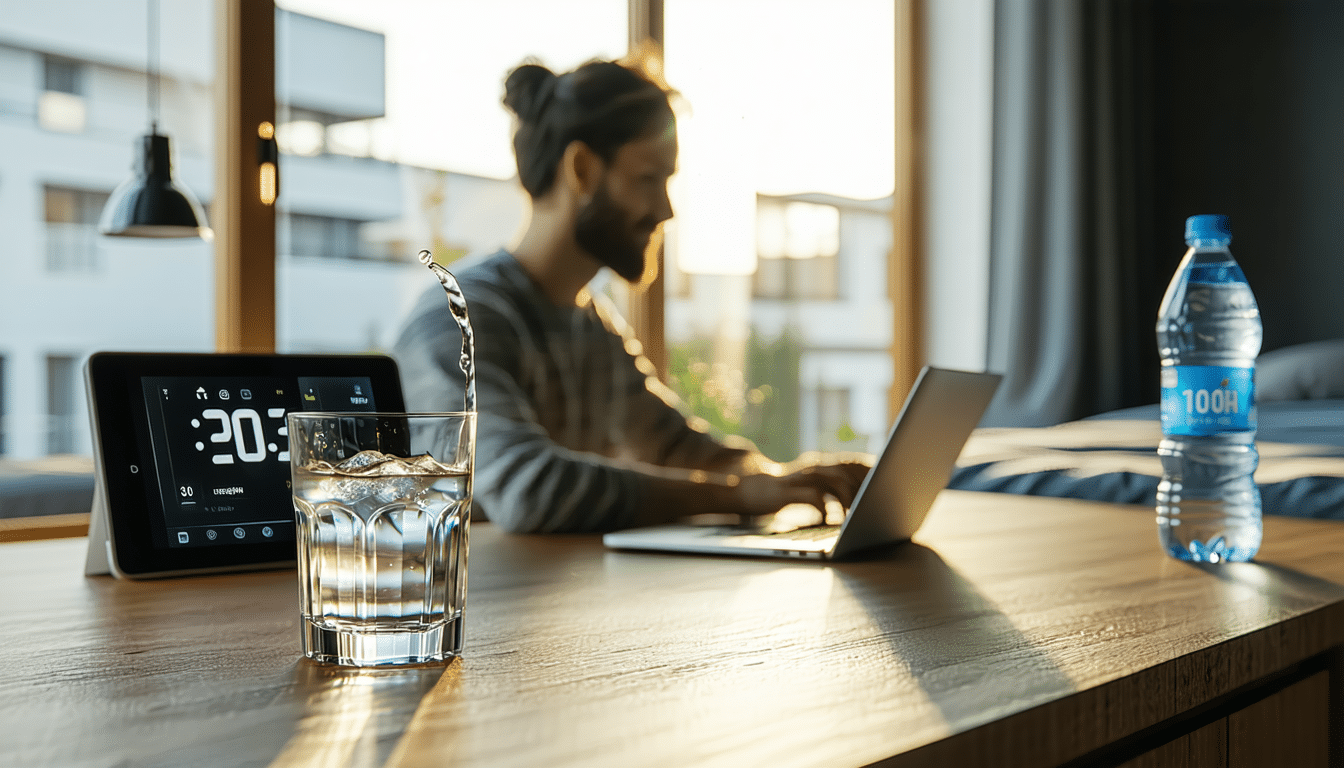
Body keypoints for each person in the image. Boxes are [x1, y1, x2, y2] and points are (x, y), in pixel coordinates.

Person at [393, 58, 869, 534]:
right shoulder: (456, 318)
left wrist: (786, 479)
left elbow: (678, 448)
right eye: (648, 179)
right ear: (581, 168)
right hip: (470, 607)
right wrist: (738, 495)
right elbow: (528, 489)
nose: (666, 210)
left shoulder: (591, 322)